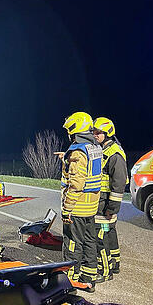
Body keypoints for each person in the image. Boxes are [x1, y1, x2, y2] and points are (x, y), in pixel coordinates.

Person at [60, 111, 103, 292]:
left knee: (72, 243)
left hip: (77, 207)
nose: (69, 134)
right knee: (89, 242)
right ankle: (88, 279)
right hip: (90, 207)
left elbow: (76, 183)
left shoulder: (78, 151)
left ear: (75, 129)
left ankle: (70, 282)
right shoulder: (94, 148)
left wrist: (66, 208)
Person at [92, 117, 128, 280]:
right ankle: (115, 263)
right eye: (94, 132)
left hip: (105, 205)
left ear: (108, 133)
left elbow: (119, 184)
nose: (95, 135)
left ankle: (105, 272)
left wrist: (111, 208)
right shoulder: (103, 150)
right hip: (103, 203)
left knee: (101, 237)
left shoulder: (114, 153)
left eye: (99, 132)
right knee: (109, 233)